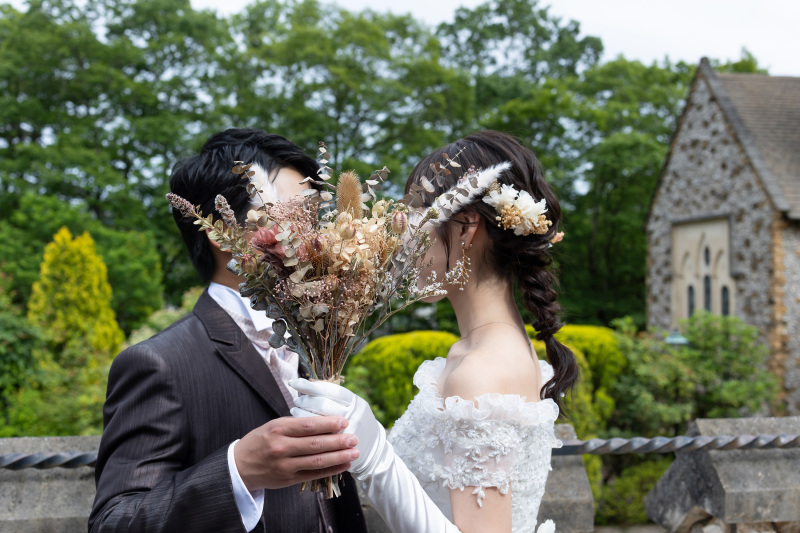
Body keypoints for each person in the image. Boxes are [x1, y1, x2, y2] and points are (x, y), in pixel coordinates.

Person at [289, 130, 579, 533]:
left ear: (465, 226)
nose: (404, 233)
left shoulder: (482, 372)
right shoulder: (490, 351)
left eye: (416, 213)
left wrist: (376, 459)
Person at [89, 129, 367, 533]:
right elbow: (114, 522)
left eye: (313, 218)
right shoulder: (158, 364)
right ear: (222, 232)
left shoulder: (317, 336)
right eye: (291, 219)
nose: (316, 237)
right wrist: (238, 469)